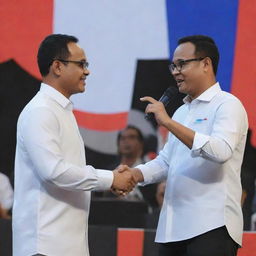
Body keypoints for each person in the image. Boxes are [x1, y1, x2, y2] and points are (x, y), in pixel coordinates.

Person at [119, 35, 248, 256]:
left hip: (211, 226)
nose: (175, 71)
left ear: (206, 64)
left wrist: (167, 122)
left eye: (182, 64)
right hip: (173, 228)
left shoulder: (228, 105)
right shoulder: (182, 111)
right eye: (173, 65)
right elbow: (166, 162)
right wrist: (134, 174)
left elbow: (221, 151)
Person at [12, 34, 135, 256]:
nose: (86, 71)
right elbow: (54, 171)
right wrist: (111, 179)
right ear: (57, 67)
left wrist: (112, 179)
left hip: (66, 246)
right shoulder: (41, 111)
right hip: (44, 246)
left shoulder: (60, 110)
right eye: (81, 64)